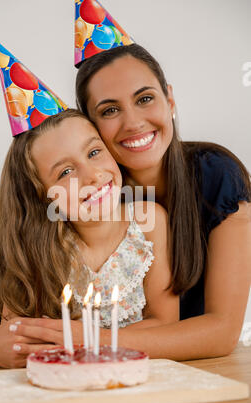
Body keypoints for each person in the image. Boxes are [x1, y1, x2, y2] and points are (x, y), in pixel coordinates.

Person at [73, 43, 251, 360]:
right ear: (90, 125)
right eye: (110, 110)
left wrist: (84, 341)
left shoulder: (217, 175)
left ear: (169, 99)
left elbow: (222, 333)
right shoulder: (82, 194)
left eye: (145, 99)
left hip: (198, 375)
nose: (133, 123)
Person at [0, 108, 178, 368]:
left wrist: (92, 340)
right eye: (65, 172)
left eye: (93, 152)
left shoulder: (149, 222)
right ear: (41, 196)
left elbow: (166, 323)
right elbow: (19, 339)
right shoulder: (35, 249)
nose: (92, 175)